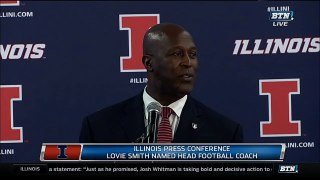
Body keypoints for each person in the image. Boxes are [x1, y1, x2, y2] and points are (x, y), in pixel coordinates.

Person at [79, 23, 243, 143]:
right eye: (177, 54)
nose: (188, 62)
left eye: (193, 54)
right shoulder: (99, 128)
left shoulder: (225, 133)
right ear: (149, 63)